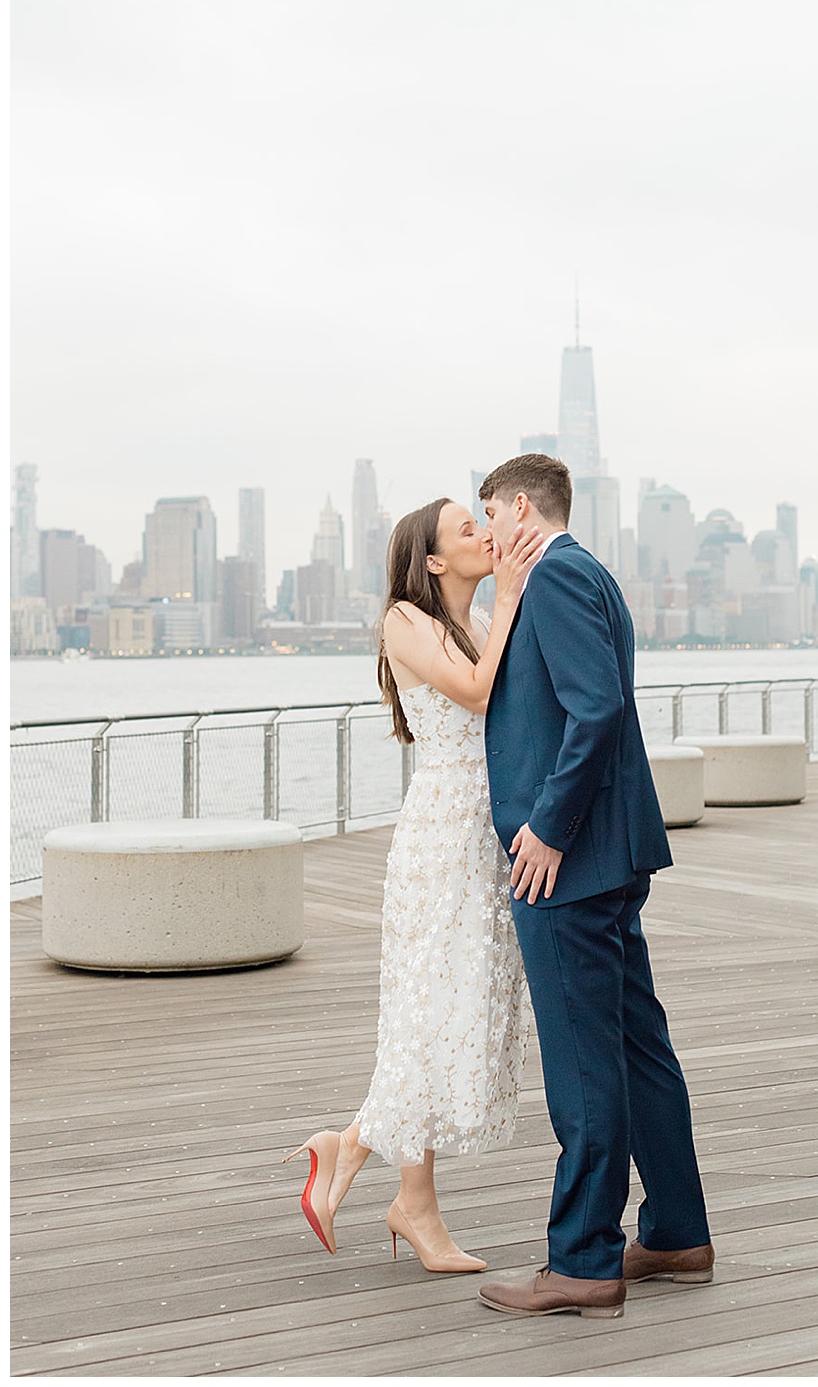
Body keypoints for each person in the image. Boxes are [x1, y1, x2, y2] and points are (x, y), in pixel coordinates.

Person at [475, 453, 713, 1321]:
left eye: (489, 512)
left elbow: (597, 706)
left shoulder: (556, 578)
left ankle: (582, 1259)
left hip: (567, 861)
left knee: (582, 1059)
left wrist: (546, 824)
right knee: (634, 1039)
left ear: (521, 506)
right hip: (608, 852)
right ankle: (678, 1231)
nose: (489, 530)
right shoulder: (590, 575)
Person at [284, 498, 541, 1273]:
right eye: (468, 529)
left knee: (452, 1010)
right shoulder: (406, 618)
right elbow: (473, 692)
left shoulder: (477, 620)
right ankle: (401, 1195)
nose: (484, 535)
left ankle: (370, 1165)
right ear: (432, 560)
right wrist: (513, 598)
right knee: (427, 1006)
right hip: (440, 837)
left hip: (485, 837)